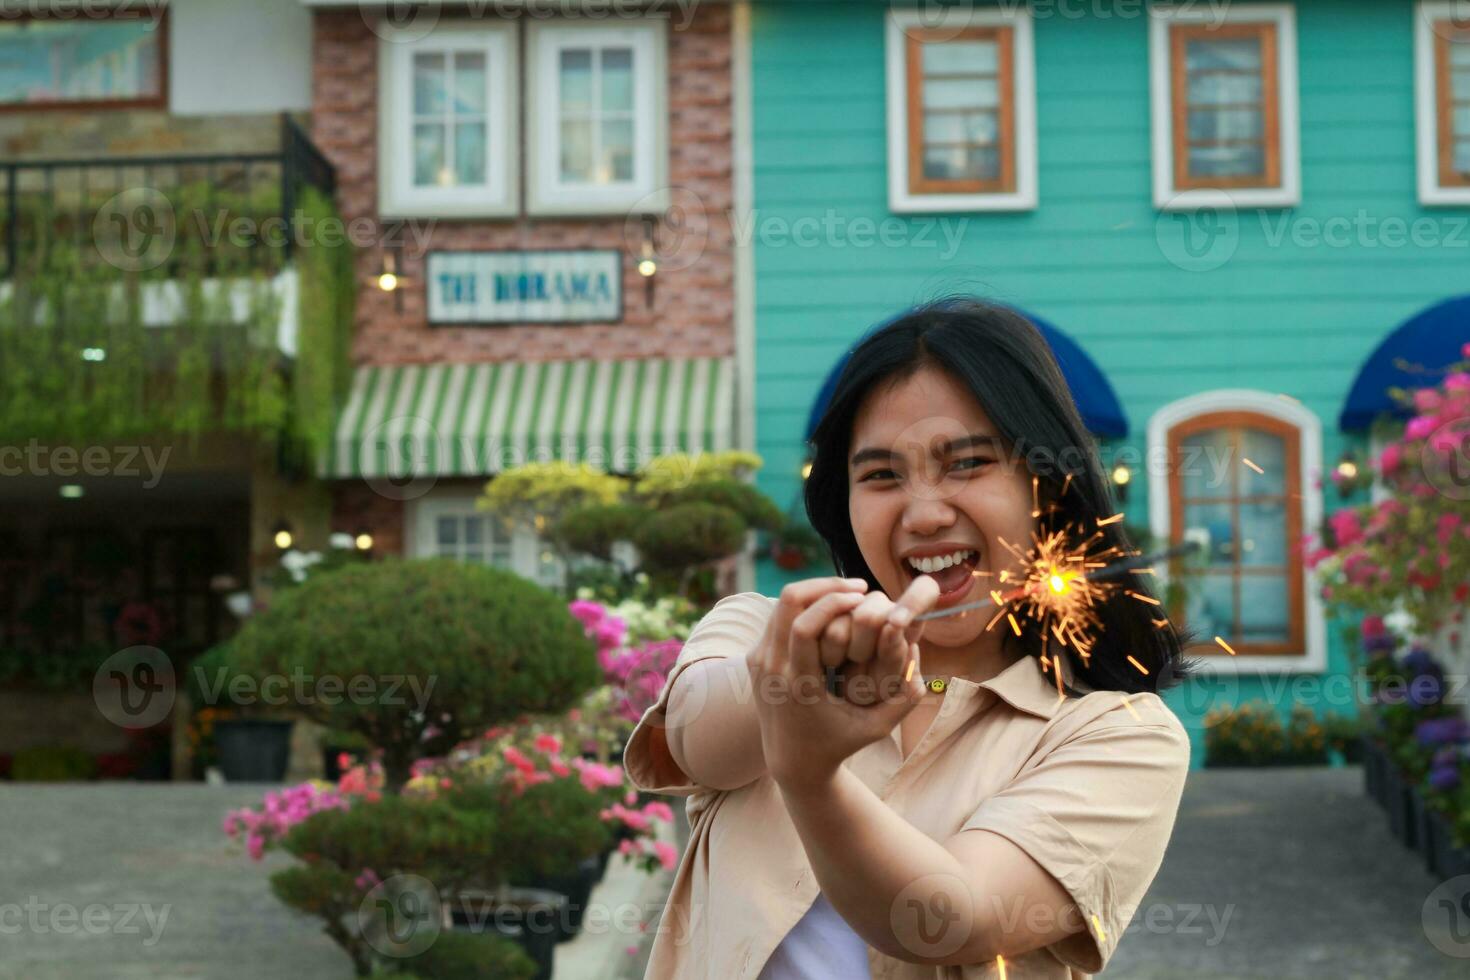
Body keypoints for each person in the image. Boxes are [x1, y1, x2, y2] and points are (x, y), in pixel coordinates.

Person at [625, 298, 1198, 979]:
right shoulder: (760, 630)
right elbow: (696, 739)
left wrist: (810, 778)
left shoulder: (1118, 734)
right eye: (880, 476)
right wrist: (797, 681)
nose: (924, 514)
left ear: (1045, 483)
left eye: (968, 464)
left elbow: (950, 919)